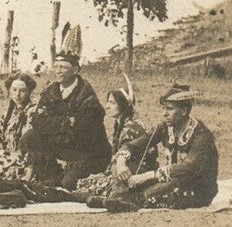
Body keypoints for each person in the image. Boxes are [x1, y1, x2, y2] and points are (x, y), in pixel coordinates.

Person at [90, 85, 219, 211]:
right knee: (125, 166)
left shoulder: (201, 135)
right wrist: (121, 162)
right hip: (169, 178)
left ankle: (127, 201)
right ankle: (118, 198)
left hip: (197, 189)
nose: (164, 114)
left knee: (163, 188)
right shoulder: (164, 127)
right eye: (163, 108)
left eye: (169, 109)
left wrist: (149, 175)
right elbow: (136, 144)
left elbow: (189, 168)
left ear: (184, 111)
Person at [22, 26, 110, 188]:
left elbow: (81, 130)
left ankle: (65, 176)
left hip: (86, 153)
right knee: (30, 136)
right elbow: (37, 121)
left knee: (68, 185)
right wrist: (67, 121)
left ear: (75, 70)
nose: (58, 71)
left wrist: (53, 124)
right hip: (62, 145)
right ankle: (50, 174)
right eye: (56, 67)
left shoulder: (88, 97)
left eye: (63, 67)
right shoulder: (51, 91)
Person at [74, 83, 155, 198]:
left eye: (112, 103)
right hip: (122, 169)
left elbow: (128, 160)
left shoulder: (131, 128)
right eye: (108, 102)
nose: (107, 106)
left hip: (133, 171)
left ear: (123, 105)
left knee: (89, 188)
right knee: (84, 183)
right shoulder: (121, 124)